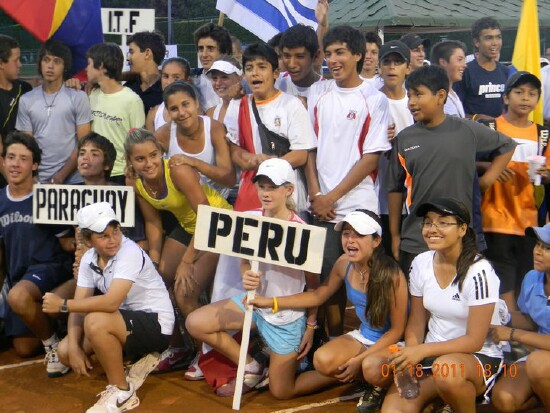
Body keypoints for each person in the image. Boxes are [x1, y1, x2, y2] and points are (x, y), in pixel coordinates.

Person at [186, 158, 320, 398]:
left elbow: (314, 288)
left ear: (288, 190)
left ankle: (343, 371)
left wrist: (311, 326)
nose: (265, 193)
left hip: (285, 316)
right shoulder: (249, 219)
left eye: (273, 187)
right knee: (195, 323)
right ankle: (252, 366)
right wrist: (244, 274)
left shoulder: (302, 232)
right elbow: (245, 261)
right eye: (261, 187)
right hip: (254, 306)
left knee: (282, 391)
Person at [250, 209, 408, 411]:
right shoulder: (344, 264)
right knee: (321, 360)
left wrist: (358, 361)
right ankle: (364, 376)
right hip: (365, 336)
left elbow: (397, 331)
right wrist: (270, 302)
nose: (350, 240)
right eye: (346, 234)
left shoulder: (393, 275)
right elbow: (318, 295)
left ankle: (377, 382)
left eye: (358, 235)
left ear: (376, 241)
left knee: (370, 367)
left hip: (394, 343)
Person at [42, 202, 174, 413]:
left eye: (116, 232)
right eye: (103, 236)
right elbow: (79, 309)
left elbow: (110, 302)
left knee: (95, 321)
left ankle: (122, 392)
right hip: (124, 321)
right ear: (88, 240)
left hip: (156, 324)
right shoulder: (88, 259)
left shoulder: (129, 252)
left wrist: (63, 304)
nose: (113, 240)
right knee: (66, 352)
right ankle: (138, 358)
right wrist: (75, 347)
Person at [386, 65, 516, 275]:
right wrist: (394, 235)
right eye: (409, 95)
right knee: (419, 301)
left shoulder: (467, 130)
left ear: (440, 96)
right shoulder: (404, 139)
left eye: (418, 94)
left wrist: (486, 181)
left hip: (462, 238)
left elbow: (507, 146)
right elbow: (394, 189)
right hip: (417, 239)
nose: (411, 102)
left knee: (462, 300)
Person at [306, 25, 390, 337]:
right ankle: (334, 337)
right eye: (328, 53)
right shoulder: (318, 92)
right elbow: (310, 149)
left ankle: (375, 339)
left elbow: (371, 158)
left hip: (358, 204)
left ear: (358, 55)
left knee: (366, 275)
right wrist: (317, 194)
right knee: (328, 276)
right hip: (322, 207)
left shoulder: (374, 99)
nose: (333, 59)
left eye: (340, 52)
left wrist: (333, 196)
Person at [382, 199, 504, 413]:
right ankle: (444, 398)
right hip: (432, 355)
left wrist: (421, 350)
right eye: (428, 223)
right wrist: (411, 353)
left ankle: (459, 403)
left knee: (446, 373)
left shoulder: (479, 271)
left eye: (443, 223)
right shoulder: (420, 263)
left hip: (477, 358)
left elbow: (474, 341)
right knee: (391, 405)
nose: (432, 229)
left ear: (462, 229)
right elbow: (417, 321)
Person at [125, 128, 231, 320]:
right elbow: (152, 221)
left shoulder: (178, 171)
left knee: (183, 293)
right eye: (140, 159)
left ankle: (206, 350)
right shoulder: (133, 181)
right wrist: (154, 261)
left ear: (161, 152)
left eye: (153, 155)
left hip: (218, 224)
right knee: (157, 283)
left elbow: (207, 218)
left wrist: (186, 261)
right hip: (189, 227)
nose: (149, 164)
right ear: (130, 162)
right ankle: (179, 346)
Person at [0, 132, 74, 374]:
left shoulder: (46, 196)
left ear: (34, 165)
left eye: (23, 159)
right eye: (11, 157)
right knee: (23, 347)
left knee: (18, 297)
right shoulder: (1, 199)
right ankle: (54, 328)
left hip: (50, 268)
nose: (15, 164)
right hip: (19, 276)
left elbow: (66, 244)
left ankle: (54, 347)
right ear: (3, 161)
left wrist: (81, 241)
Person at [476, 71, 550, 312]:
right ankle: (506, 334)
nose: (525, 98)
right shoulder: (490, 127)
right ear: (506, 98)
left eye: (532, 93)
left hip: (528, 222)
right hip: (493, 219)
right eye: (519, 92)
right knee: (501, 280)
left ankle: (518, 332)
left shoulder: (543, 134)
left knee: (524, 277)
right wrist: (492, 166)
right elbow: (465, 160)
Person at [224, 42, 316, 216]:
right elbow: (234, 150)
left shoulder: (292, 105)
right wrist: (250, 159)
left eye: (261, 67)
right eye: (249, 68)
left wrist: (269, 167)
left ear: (275, 73)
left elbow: (301, 154)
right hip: (251, 192)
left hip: (288, 195)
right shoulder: (236, 106)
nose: (255, 73)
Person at [491, 223, 550, 412]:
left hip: (540, 359)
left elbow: (519, 334)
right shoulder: (533, 277)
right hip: (538, 354)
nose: (538, 252)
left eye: (547, 248)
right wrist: (500, 317)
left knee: (537, 364)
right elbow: (532, 320)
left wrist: (513, 334)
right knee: (503, 398)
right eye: (538, 245)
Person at [16, 39, 91, 184]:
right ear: (40, 64)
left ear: (64, 66)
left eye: (57, 61)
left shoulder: (78, 97)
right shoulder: (26, 100)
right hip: (37, 180)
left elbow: (84, 143)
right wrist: (32, 176)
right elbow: (27, 144)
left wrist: (61, 176)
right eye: (46, 60)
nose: (50, 66)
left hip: (73, 179)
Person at [156, 81, 235, 199]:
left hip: (219, 203)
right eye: (174, 109)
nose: (181, 113)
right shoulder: (163, 134)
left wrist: (193, 162)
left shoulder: (214, 128)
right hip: (184, 205)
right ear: (168, 112)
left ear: (196, 103)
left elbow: (229, 179)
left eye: (185, 104)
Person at [86, 43, 145, 184]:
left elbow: (138, 142)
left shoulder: (132, 100)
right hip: (96, 172)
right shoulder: (92, 95)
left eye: (89, 64)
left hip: (121, 174)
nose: (86, 69)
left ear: (100, 66)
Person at [377, 40, 413, 255]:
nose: (392, 67)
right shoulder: (372, 100)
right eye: (387, 62)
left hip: (411, 196)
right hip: (379, 195)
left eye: (398, 62)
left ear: (408, 67)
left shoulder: (415, 101)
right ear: (379, 68)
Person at [454, 17, 512, 120]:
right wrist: (476, 118)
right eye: (489, 38)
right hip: (474, 133)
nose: (495, 43)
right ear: (476, 42)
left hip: (502, 133)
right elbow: (455, 112)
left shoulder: (506, 72)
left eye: (498, 37)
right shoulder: (465, 72)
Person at [0, 34, 32, 186]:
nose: (20, 64)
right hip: (8, 178)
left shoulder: (25, 89)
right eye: (16, 60)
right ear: (1, 63)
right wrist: (15, 183)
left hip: (22, 172)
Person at [276, 24, 324, 99]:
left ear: (315, 56)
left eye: (299, 56)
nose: (292, 65)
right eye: (287, 56)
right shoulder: (273, 84)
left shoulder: (329, 92)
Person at [192, 23, 232, 112]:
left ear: (224, 51)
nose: (204, 55)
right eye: (201, 49)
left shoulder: (239, 83)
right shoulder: (192, 80)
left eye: (210, 49)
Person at [125, 31, 166, 116]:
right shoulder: (127, 88)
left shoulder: (167, 91)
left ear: (147, 53)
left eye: (132, 52)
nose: (128, 58)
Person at [145, 57, 191, 132]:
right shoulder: (153, 114)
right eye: (166, 76)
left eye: (176, 77)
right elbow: (150, 143)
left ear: (187, 80)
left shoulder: (196, 112)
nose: (169, 82)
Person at [430, 40, 468, 118]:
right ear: (443, 62)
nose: (464, 65)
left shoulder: (451, 92)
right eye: (459, 60)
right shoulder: (436, 96)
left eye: (464, 60)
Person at [205, 55, 243, 124]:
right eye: (214, 78)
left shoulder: (250, 108)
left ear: (239, 78)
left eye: (224, 77)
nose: (218, 83)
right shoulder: (210, 113)